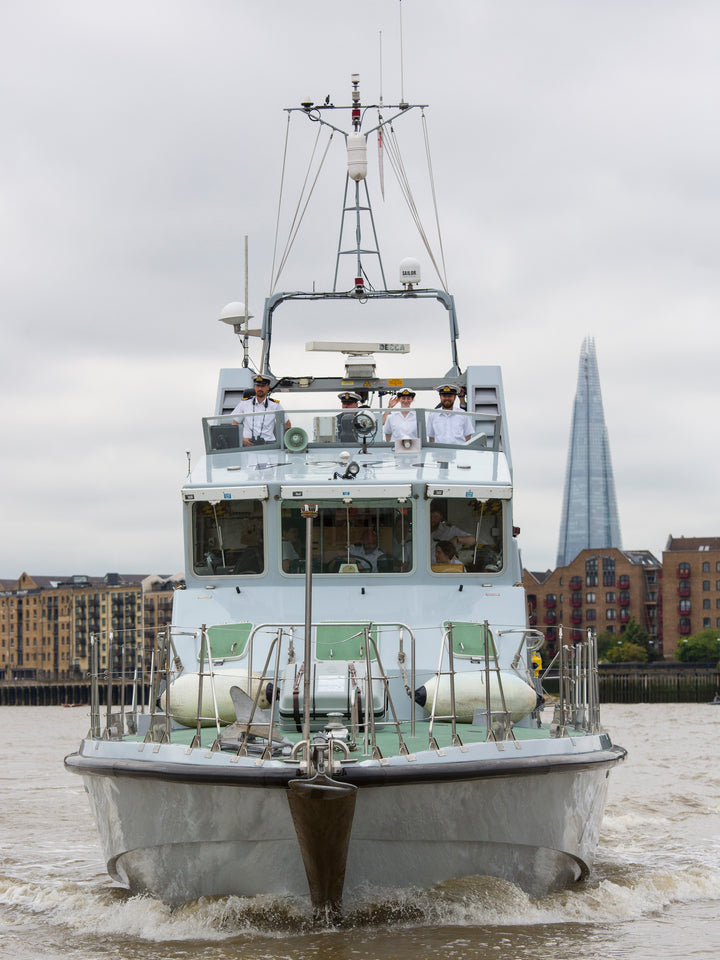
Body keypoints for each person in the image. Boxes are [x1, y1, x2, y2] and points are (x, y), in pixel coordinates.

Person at [231, 375, 290, 446]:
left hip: (268, 445)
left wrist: (283, 443)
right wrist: (242, 439)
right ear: (254, 387)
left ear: (268, 387)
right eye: (257, 386)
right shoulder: (244, 403)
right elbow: (235, 423)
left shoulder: (275, 405)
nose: (260, 388)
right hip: (248, 445)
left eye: (263, 386)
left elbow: (287, 424)